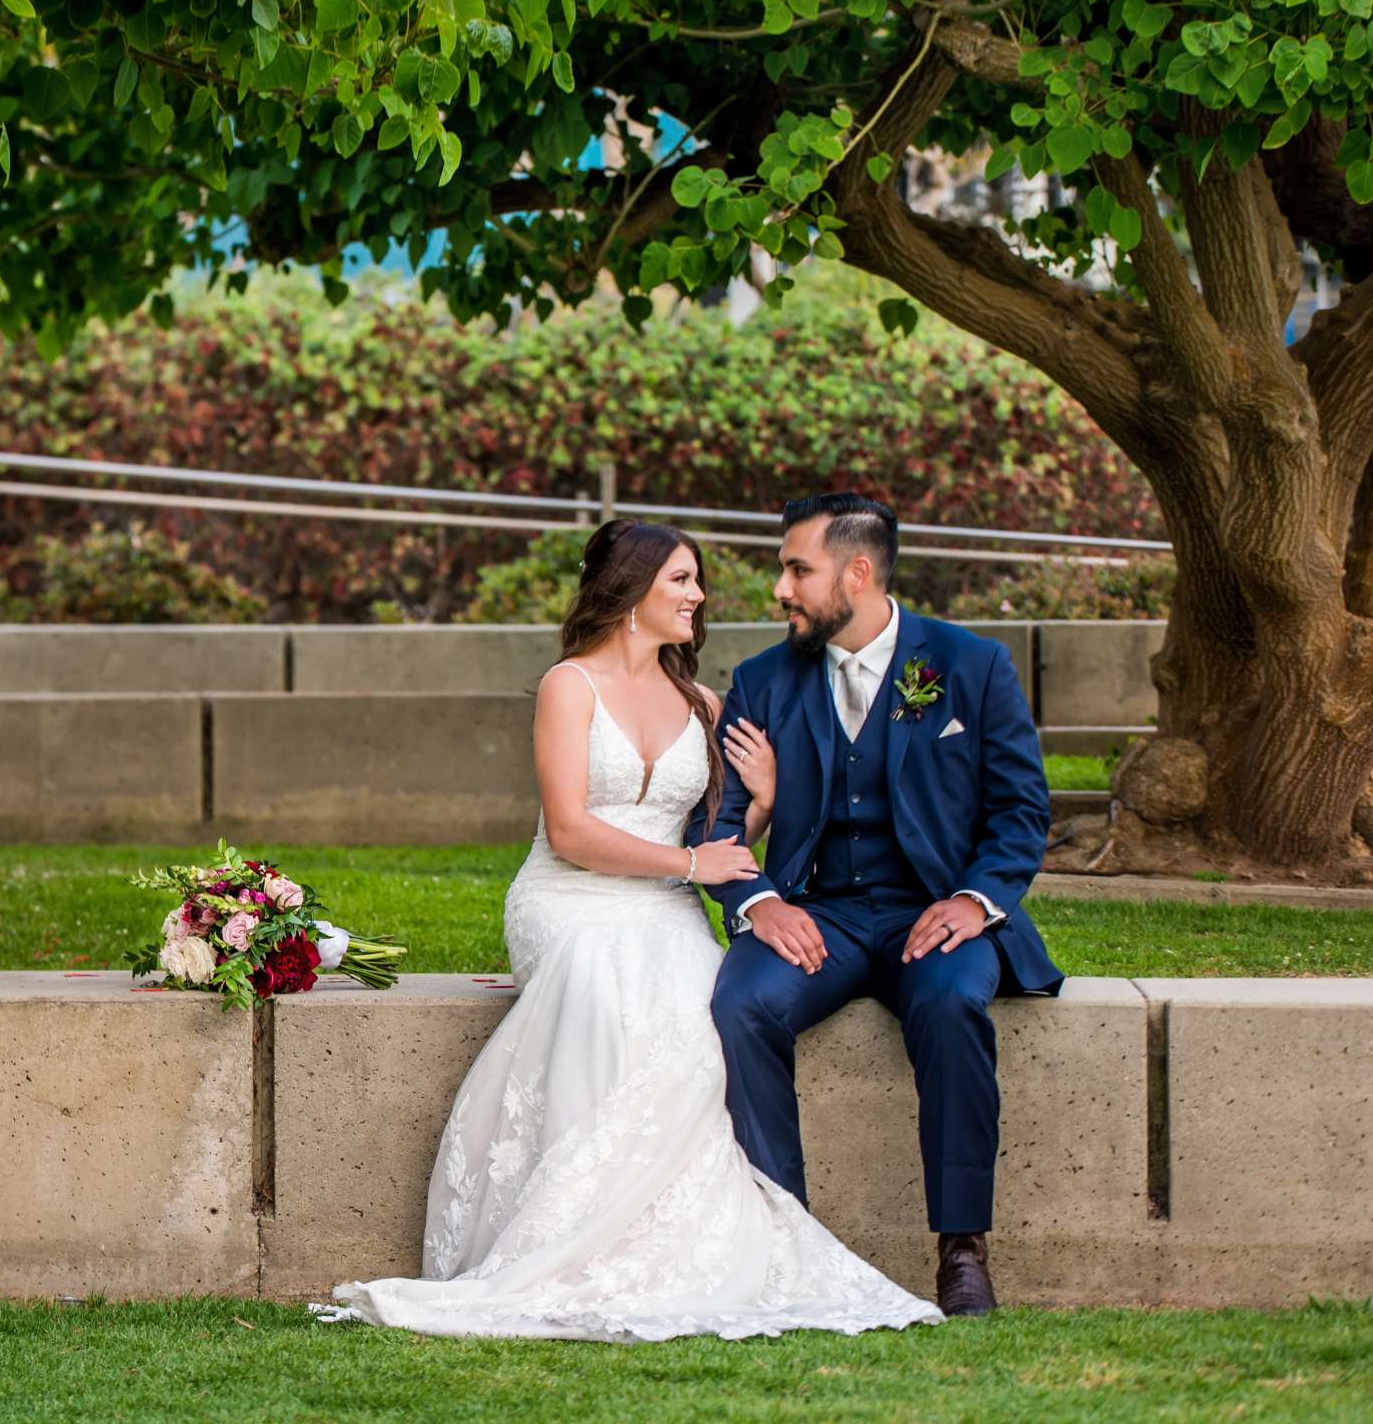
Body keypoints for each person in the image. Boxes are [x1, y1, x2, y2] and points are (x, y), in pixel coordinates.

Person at [315, 518, 943, 1342]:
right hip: (566, 900)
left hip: (661, 905)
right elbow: (572, 832)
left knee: (700, 1014)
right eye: (682, 580)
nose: (698, 596)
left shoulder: (703, 702)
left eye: (696, 582)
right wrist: (690, 869)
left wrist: (760, 803)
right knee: (603, 985)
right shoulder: (568, 686)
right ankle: (567, 1234)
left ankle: (675, 1244)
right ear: (633, 588)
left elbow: (717, 846)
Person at [704, 493, 1062, 1318]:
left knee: (950, 1005)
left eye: (797, 569)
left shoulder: (970, 666)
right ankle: (784, 1239)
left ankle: (963, 1250)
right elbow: (717, 826)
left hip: (934, 912)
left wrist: (977, 902)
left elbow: (1020, 812)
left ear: (857, 572)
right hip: (816, 911)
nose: (779, 589)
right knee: (743, 1003)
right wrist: (758, 903)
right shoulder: (762, 682)